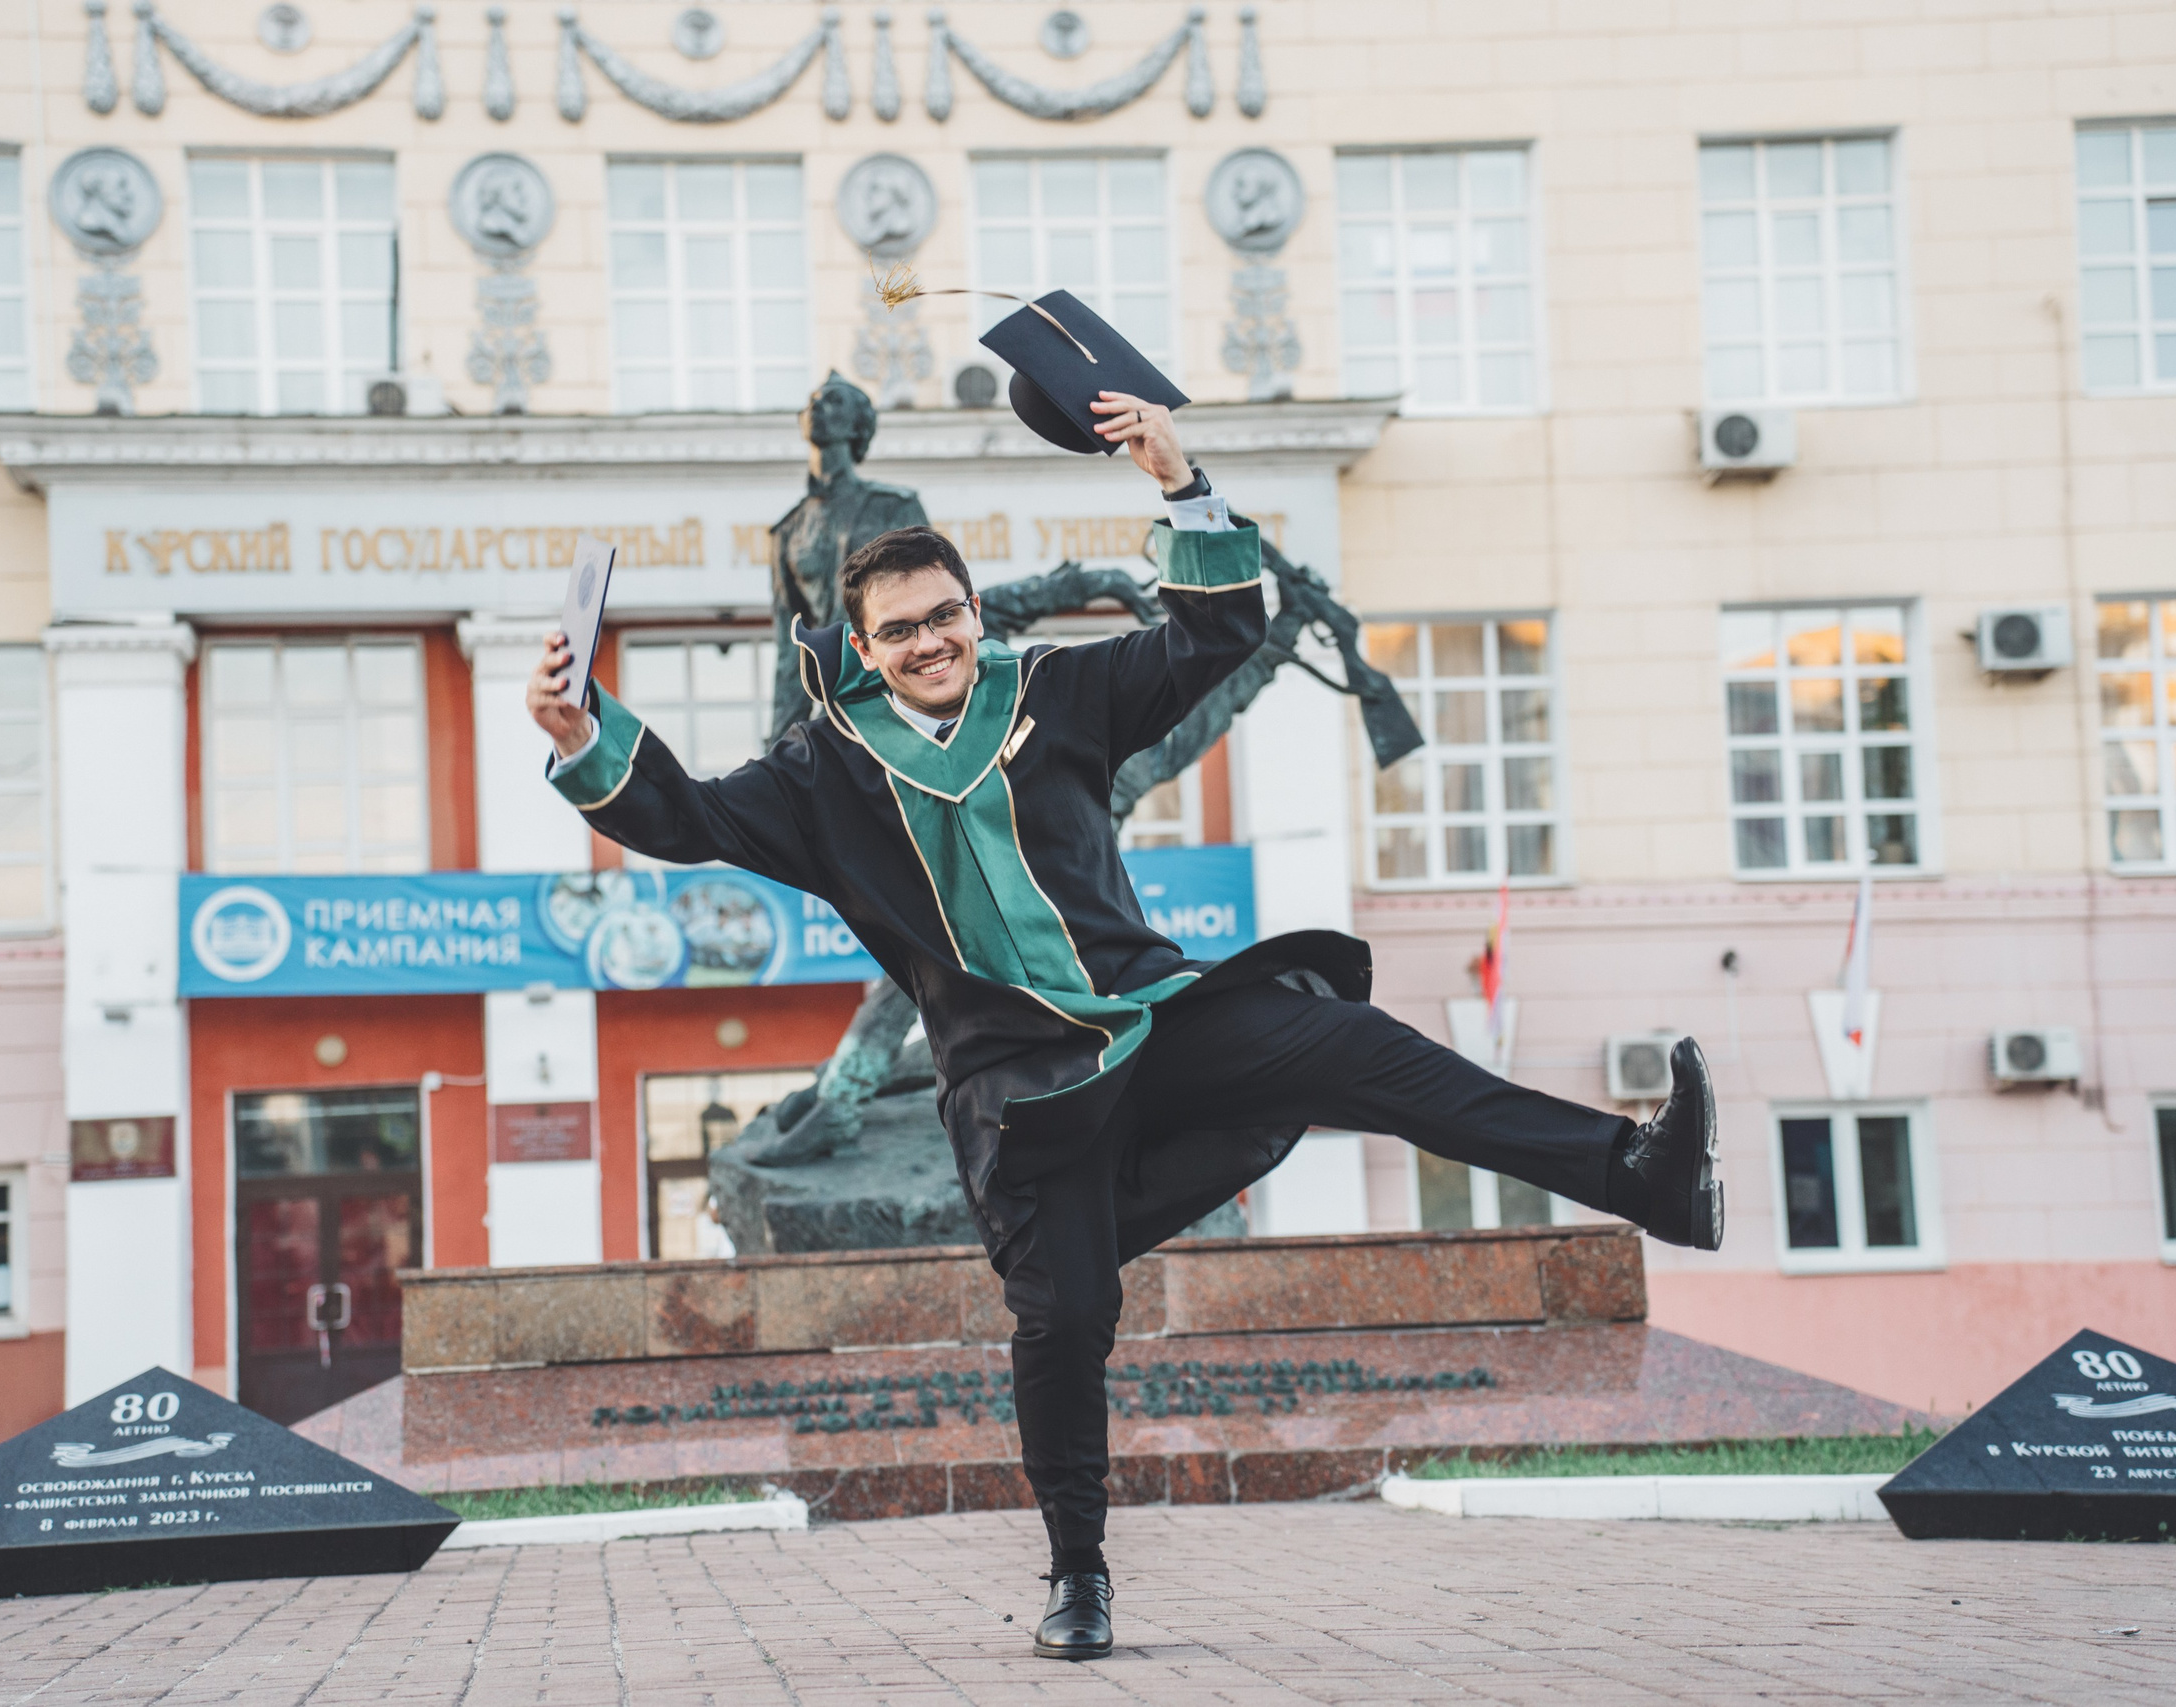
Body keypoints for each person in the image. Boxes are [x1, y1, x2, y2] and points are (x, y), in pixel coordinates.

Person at [526, 393, 1720, 1662]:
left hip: (1152, 1021)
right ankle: (1079, 1575)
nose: (931, 641)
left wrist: (1179, 479)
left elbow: (1214, 637)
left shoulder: (1056, 692)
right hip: (1020, 1097)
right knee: (1064, 1323)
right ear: (864, 649)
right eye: (901, 631)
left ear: (974, 611)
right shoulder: (824, 775)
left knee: (1355, 1050)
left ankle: (1629, 1169)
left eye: (946, 614)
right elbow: (686, 816)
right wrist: (583, 733)